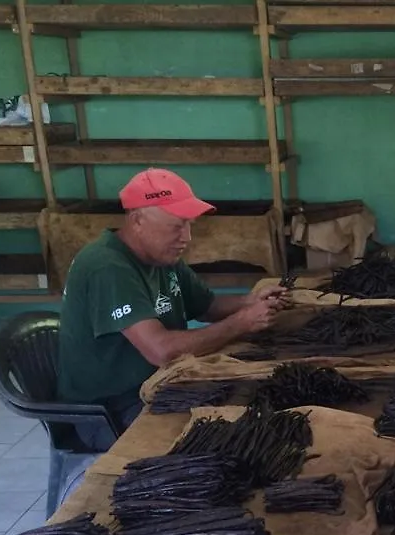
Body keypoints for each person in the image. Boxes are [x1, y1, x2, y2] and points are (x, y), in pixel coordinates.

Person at [57, 168, 289, 450]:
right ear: (137, 220)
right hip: (111, 410)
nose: (187, 237)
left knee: (260, 406)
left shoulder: (161, 256)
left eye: (189, 224)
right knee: (228, 443)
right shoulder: (107, 267)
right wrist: (240, 323)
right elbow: (160, 350)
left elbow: (206, 306)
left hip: (159, 384)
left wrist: (250, 302)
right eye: (177, 226)